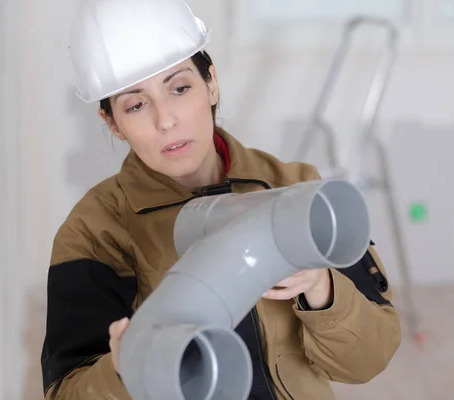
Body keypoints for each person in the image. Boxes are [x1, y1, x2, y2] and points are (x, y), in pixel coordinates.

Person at [40, 0, 402, 399]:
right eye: (136, 104)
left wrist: (321, 287)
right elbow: (67, 392)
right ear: (112, 122)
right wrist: (127, 371)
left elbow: (372, 358)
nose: (166, 120)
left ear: (211, 82)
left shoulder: (295, 188)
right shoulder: (96, 230)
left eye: (180, 88)